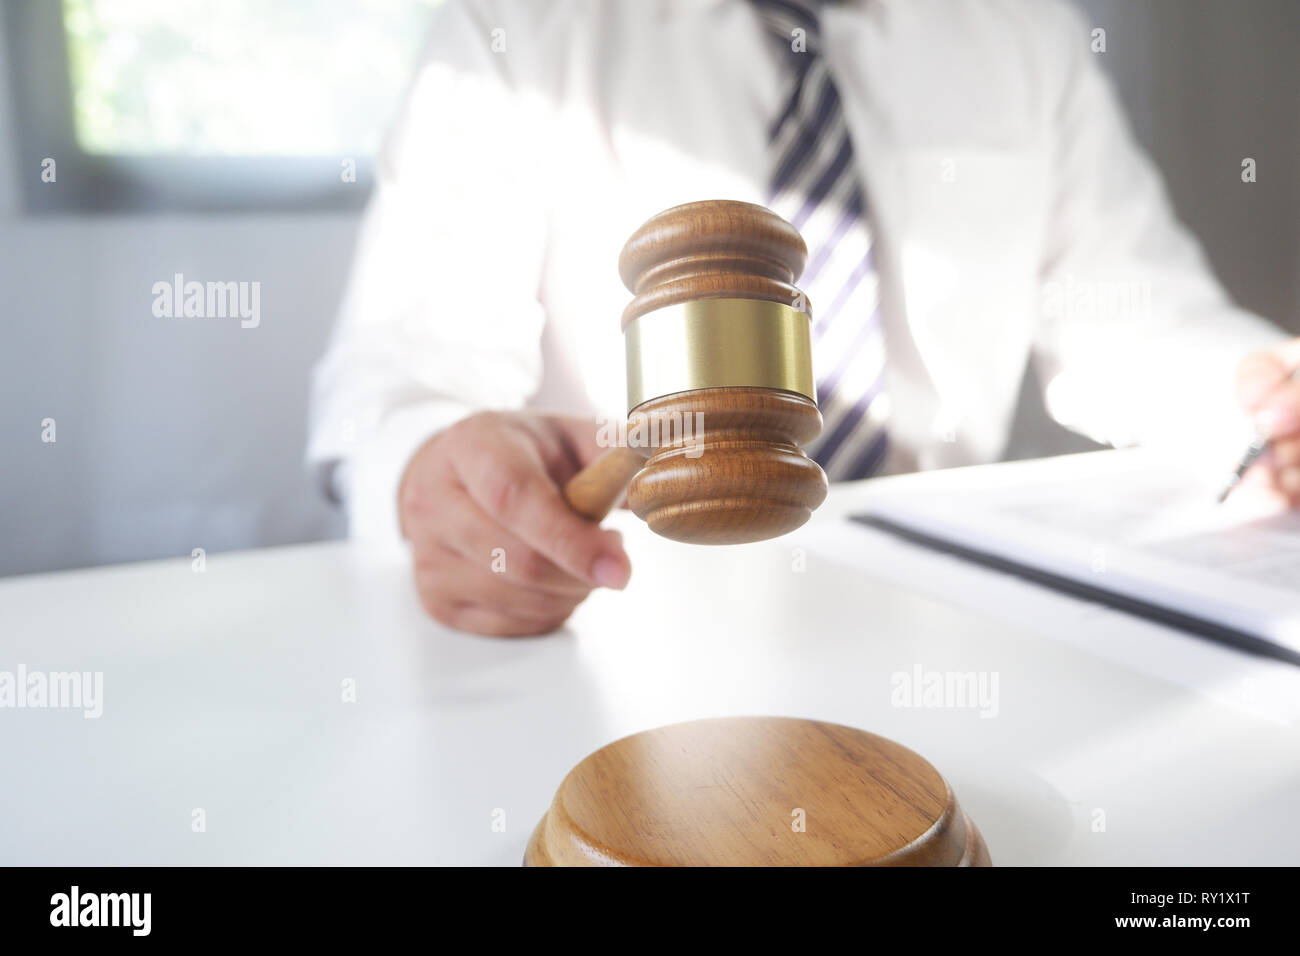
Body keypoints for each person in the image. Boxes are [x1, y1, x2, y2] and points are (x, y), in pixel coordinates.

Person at [307, 0, 1300, 636]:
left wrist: (1259, 396)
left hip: (946, 617)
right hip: (620, 607)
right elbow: (396, 378)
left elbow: (1134, 315)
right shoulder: (512, 27)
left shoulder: (1024, 32)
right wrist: (434, 480)